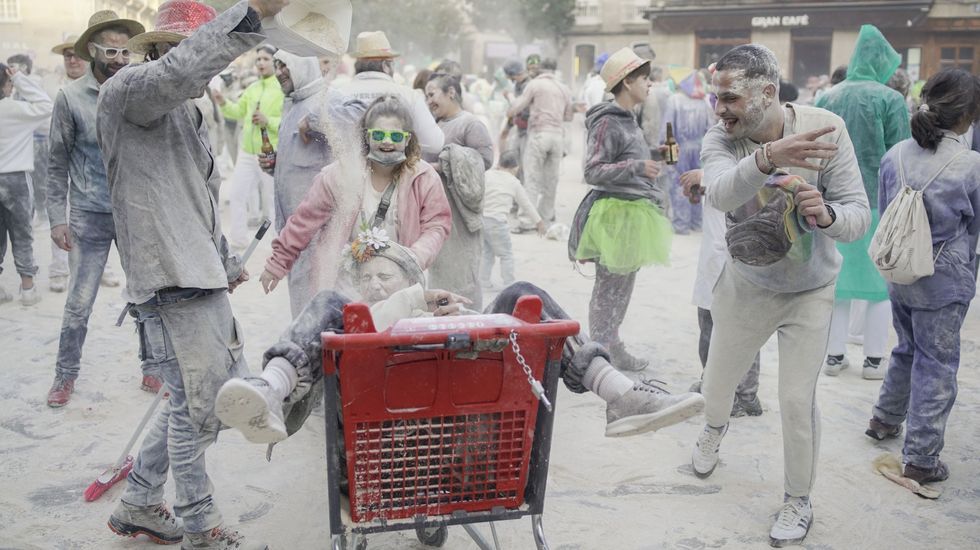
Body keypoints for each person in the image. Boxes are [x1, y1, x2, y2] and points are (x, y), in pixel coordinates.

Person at [97, 1, 288, 548]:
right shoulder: (129, 90)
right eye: (196, 51)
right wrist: (250, 12)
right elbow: (178, 72)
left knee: (192, 399)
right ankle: (198, 522)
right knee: (195, 408)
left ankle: (138, 500)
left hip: (195, 275)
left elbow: (198, 202)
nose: (208, 72)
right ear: (164, 50)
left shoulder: (187, 114)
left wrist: (223, 263)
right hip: (169, 280)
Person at [216, 232, 705, 445]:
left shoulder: (428, 307)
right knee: (326, 302)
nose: (375, 283)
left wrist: (454, 316)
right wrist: (406, 302)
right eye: (367, 276)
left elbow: (495, 343)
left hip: (463, 416)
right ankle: (269, 392)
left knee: (520, 294)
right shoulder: (354, 317)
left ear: (412, 279)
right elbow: (367, 319)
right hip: (381, 426)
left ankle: (619, 394)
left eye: (387, 275)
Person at [692, 44, 869, 547]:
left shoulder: (824, 128)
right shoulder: (722, 138)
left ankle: (798, 499)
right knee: (718, 382)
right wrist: (768, 158)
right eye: (716, 98)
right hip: (746, 286)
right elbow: (721, 192)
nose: (719, 109)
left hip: (809, 291)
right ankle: (712, 429)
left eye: (730, 98)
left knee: (796, 400)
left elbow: (858, 215)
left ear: (767, 92)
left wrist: (827, 214)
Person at [865, 69, 980, 484]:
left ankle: (884, 420)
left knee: (907, 349)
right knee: (937, 365)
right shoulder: (970, 165)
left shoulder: (894, 154)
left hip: (899, 273)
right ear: (967, 115)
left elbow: (884, 211)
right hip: (943, 280)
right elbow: (975, 228)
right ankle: (921, 460)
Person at [44, 10, 153, 408]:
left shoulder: (138, 90)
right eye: (111, 50)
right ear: (92, 50)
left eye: (127, 51)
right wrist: (58, 217)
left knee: (146, 295)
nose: (120, 59)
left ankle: (153, 367)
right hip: (88, 215)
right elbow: (56, 163)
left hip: (133, 212)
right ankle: (64, 375)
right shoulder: (69, 98)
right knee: (79, 301)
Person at [259, 95, 452, 299]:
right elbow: (302, 223)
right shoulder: (337, 176)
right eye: (378, 135)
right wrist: (277, 263)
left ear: (407, 139)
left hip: (402, 289)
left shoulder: (423, 178)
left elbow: (437, 225)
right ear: (367, 137)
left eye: (395, 137)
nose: (386, 141)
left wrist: (414, 257)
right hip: (345, 289)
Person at [815, 25, 911, 380]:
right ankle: (873, 360)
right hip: (877, 204)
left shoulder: (827, 96)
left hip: (831, 205)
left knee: (836, 284)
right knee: (878, 286)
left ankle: (834, 356)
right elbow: (901, 154)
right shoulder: (891, 100)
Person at [569, 47, 672, 372]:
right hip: (613, 216)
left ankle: (613, 345)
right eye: (644, 79)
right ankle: (598, 352)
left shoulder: (629, 119)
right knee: (608, 287)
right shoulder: (607, 122)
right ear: (627, 83)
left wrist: (656, 155)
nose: (649, 85)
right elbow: (593, 172)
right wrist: (639, 166)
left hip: (632, 214)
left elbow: (628, 158)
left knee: (623, 286)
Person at [260, 49, 365, 317]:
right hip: (295, 237)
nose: (280, 71)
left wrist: (316, 120)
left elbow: (361, 116)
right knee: (304, 316)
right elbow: (302, 165)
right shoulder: (292, 104)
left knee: (319, 316)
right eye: (277, 65)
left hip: (321, 236)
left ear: (303, 64)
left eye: (285, 65)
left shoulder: (328, 98)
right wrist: (276, 166)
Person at [682, 169, 762, 417]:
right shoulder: (719, 139)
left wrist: (704, 177)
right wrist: (704, 190)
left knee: (740, 328)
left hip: (739, 252)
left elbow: (754, 176)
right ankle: (714, 385)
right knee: (709, 325)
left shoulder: (756, 141)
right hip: (716, 252)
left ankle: (742, 394)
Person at [424, 71, 494, 308]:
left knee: (463, 272)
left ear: (451, 92)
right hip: (434, 208)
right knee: (439, 270)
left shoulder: (470, 123)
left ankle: (470, 326)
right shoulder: (433, 124)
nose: (429, 101)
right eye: (426, 96)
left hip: (460, 210)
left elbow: (485, 159)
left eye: (432, 94)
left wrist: (442, 163)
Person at [214, 44, 283, 252]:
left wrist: (267, 120)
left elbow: (287, 122)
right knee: (237, 194)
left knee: (272, 200)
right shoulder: (252, 89)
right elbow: (237, 112)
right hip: (246, 151)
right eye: (258, 59)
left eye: (265, 59)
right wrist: (223, 103)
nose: (261, 63)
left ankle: (277, 243)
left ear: (275, 62)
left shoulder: (281, 88)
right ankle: (239, 240)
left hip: (270, 153)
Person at [337, 31, 444, 156]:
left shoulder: (338, 95)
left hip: (347, 172)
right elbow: (435, 144)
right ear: (386, 66)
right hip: (396, 173)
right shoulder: (409, 96)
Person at [0, 63, 52, 306]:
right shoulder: (16, 109)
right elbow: (46, 104)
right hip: (17, 178)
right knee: (22, 234)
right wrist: (20, 77)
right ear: (6, 84)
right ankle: (28, 289)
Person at [506, 58, 572, 228]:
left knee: (532, 179)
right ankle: (547, 217)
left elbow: (516, 108)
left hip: (538, 134)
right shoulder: (564, 88)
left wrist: (510, 107)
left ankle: (528, 221)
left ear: (541, 69)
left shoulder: (535, 85)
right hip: (557, 136)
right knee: (551, 180)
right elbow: (569, 116)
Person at [44, 35, 84, 293]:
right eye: (67, 55)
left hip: (91, 164)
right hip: (61, 162)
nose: (71, 59)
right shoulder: (52, 89)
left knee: (97, 218)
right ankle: (59, 270)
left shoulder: (101, 86)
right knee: (61, 216)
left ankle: (103, 268)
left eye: (76, 54)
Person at [661, 70, 714, 234]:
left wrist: (666, 153)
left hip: (679, 148)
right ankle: (696, 222)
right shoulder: (703, 102)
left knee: (679, 184)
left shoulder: (675, 100)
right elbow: (710, 129)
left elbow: (668, 130)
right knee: (697, 184)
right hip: (698, 149)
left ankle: (681, 224)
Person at [481, 151, 544, 288]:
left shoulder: (487, 175)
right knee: (506, 254)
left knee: (487, 252)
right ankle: (509, 284)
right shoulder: (514, 182)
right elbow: (526, 204)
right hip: (497, 222)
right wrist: (538, 221)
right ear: (515, 168)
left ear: (498, 164)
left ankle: (483, 281)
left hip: (482, 221)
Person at [7, 54, 52, 230]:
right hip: (27, 139)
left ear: (25, 67)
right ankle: (37, 213)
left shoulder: (32, 82)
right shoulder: (15, 86)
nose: (11, 70)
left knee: (41, 180)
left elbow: (44, 107)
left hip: (41, 138)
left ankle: (44, 215)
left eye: (14, 66)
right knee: (32, 181)